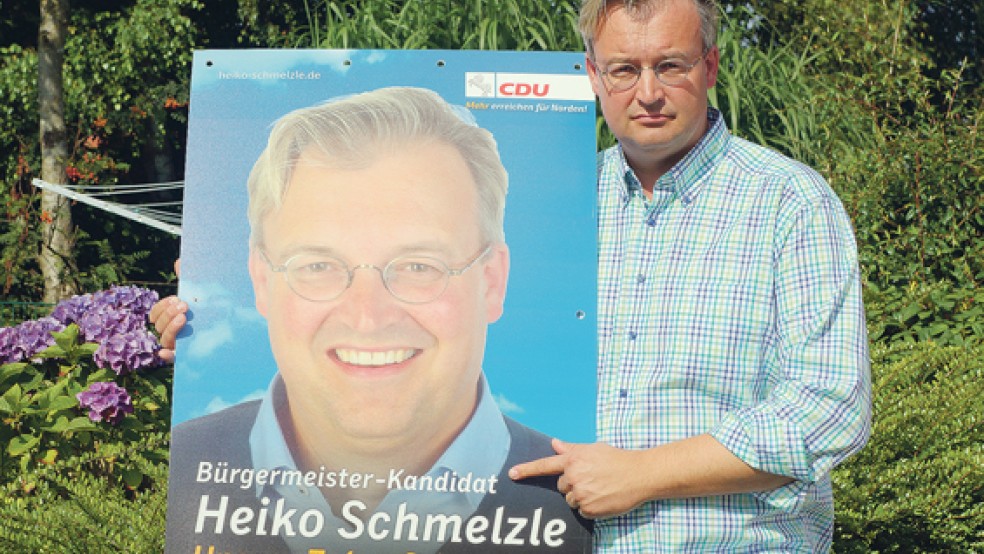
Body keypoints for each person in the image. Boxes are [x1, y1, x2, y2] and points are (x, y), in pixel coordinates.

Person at [507, 0, 872, 551]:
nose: (648, 92)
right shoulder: (554, 206)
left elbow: (827, 407)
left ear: (710, 66)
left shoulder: (789, 202)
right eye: (624, 69)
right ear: (592, 75)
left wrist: (643, 474)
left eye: (671, 65)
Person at [161, 87, 592, 554]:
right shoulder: (181, 466)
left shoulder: (577, 493)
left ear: (492, 281)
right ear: (262, 281)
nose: (367, 316)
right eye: (318, 265)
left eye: (418, 266)